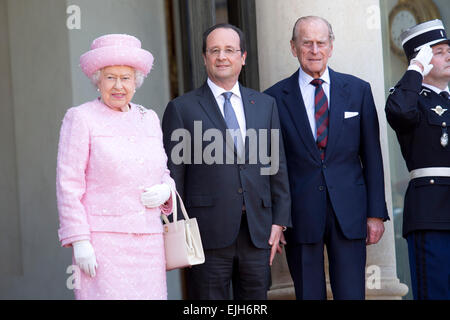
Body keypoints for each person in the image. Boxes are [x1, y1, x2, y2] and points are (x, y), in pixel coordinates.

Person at [162, 23, 291, 300]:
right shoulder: (181, 109)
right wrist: (178, 230)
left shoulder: (265, 105)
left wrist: (279, 221)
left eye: (230, 50)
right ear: (204, 58)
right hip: (206, 234)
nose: (222, 56)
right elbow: (173, 177)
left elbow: (276, 165)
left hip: (257, 232)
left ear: (242, 57)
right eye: (215, 50)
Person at [264, 16, 389, 300]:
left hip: (350, 211)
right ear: (293, 48)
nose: (314, 50)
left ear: (331, 47)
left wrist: (375, 213)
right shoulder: (273, 98)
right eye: (306, 43)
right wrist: (277, 217)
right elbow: (271, 164)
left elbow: (372, 156)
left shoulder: (358, 91)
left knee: (352, 294)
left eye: (321, 43)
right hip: (299, 213)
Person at [56, 34, 175, 300]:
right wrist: (80, 240)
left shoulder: (149, 118)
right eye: (110, 77)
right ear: (98, 80)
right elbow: (69, 185)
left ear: (136, 81)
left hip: (149, 243)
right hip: (103, 245)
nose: (118, 85)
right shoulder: (82, 118)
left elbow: (163, 172)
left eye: (126, 77)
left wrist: (166, 191)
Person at [385, 19, 450, 300]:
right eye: (438, 51)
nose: (448, 55)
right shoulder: (409, 98)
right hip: (431, 211)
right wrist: (415, 69)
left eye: (448, 49)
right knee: (435, 292)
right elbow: (400, 113)